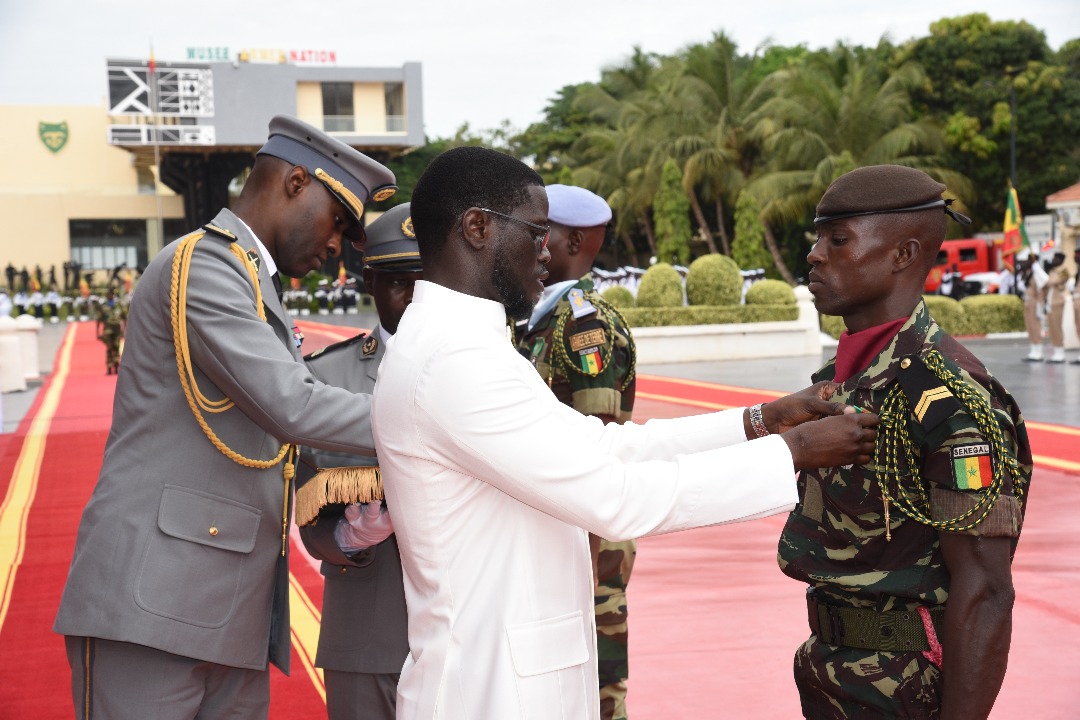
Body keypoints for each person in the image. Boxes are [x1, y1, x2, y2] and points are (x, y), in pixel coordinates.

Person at [371, 146, 880, 720]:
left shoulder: (466, 345)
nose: (548, 251)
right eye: (536, 231)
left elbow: (603, 444)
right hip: (490, 690)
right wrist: (790, 454)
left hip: (507, 676)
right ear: (477, 228)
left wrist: (760, 422)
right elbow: (614, 499)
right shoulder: (455, 361)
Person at [53, 115, 398, 720]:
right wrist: (438, 423)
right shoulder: (206, 267)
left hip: (223, 607)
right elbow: (292, 404)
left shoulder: (250, 280)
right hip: (153, 602)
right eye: (337, 221)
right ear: (296, 182)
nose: (337, 245)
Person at [779, 165, 1033, 719]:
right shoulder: (842, 380)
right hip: (830, 672)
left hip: (902, 688)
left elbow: (985, 589)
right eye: (819, 238)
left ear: (902, 254)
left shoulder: (950, 397)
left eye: (837, 239)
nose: (815, 254)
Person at [514, 184, 636, 720]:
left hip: (587, 533)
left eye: (540, 234)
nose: (531, 246)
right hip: (552, 522)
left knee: (597, 684)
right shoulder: (536, 319)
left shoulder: (585, 326)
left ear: (575, 240)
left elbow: (598, 440)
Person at [293, 203, 419, 720]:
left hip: (475, 635)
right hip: (370, 630)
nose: (416, 300)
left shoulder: (503, 368)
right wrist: (348, 538)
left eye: (431, 283)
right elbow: (306, 507)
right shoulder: (327, 378)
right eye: (399, 282)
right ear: (369, 281)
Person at [94, 287, 126, 374]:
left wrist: (125, 330)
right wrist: (97, 332)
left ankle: (116, 366)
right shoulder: (103, 305)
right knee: (109, 348)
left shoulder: (118, 305)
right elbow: (99, 319)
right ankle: (109, 367)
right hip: (108, 330)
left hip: (117, 330)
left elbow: (124, 317)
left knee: (116, 347)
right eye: (109, 294)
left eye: (112, 294)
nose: (110, 296)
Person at [1045, 251, 1069, 363]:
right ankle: (1056, 351)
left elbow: (1051, 282)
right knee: (1052, 327)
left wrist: (1047, 280)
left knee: (1057, 327)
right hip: (1050, 302)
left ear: (1060, 260)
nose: (1053, 260)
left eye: (1055, 259)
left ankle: (1060, 352)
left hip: (1057, 302)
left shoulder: (1064, 271)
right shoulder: (1053, 271)